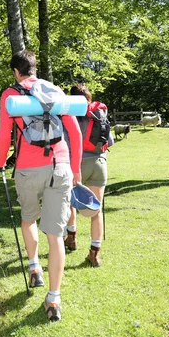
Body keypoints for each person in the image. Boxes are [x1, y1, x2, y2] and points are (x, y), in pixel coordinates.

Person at [0, 50, 82, 321]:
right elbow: (75, 131)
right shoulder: (53, 90)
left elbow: (3, 133)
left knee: (28, 218)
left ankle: (35, 268)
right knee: (55, 235)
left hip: (28, 167)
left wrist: (0, 162)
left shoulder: (10, 94)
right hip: (61, 165)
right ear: (34, 68)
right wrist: (76, 168)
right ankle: (54, 299)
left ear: (15, 72)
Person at [65, 84, 110, 267]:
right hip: (99, 164)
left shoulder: (69, 114)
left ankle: (72, 238)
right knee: (96, 210)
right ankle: (94, 253)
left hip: (76, 163)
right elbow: (109, 141)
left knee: (69, 202)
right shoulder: (99, 113)